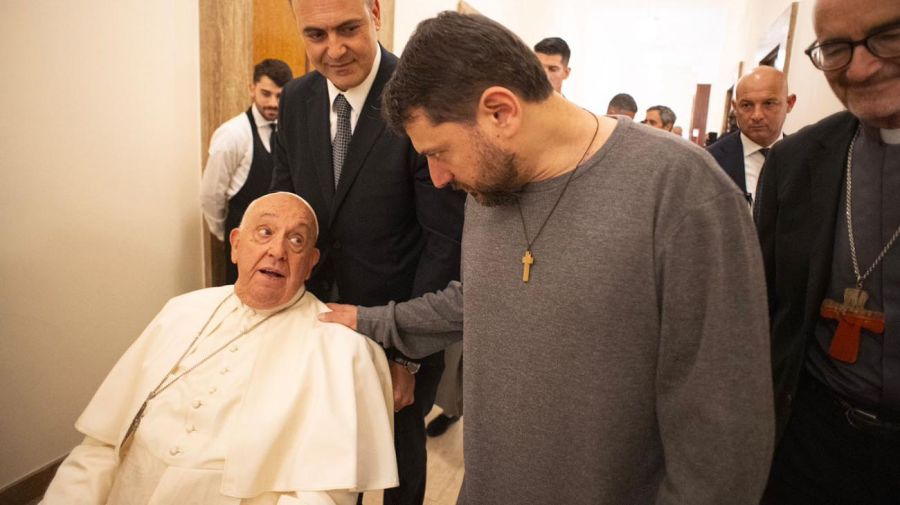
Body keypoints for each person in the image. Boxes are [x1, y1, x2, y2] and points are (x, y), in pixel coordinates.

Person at [321, 11, 774, 504]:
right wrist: (369, 321)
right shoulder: (489, 188)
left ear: (500, 111)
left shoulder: (682, 192)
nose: (438, 178)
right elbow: (483, 300)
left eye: (439, 152)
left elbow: (722, 444)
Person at [41, 193, 398, 505]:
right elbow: (102, 445)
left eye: (296, 241)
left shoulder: (340, 348)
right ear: (236, 244)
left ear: (311, 263)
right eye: (265, 232)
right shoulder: (181, 310)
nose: (277, 251)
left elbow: (322, 496)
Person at [271, 1, 465, 504]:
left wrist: (408, 355)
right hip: (315, 320)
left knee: (398, 458)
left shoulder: (421, 95)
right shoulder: (296, 98)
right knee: (326, 457)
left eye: (348, 28)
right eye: (315, 34)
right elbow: (285, 206)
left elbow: (444, 242)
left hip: (398, 325)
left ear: (375, 12)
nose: (333, 50)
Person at [757, 0, 900, 503]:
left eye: (889, 36)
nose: (860, 67)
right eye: (837, 48)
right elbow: (770, 309)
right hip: (812, 446)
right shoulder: (795, 162)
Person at [200, 59, 293, 284]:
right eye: (266, 93)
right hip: (243, 246)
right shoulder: (232, 134)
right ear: (252, 89)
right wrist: (228, 235)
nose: (273, 103)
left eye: (280, 96)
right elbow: (211, 195)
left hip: (282, 249)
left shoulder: (292, 131)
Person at [707, 66, 796, 207]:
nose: (757, 115)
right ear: (735, 108)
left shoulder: (807, 158)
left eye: (768, 103)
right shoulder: (710, 161)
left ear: (789, 103)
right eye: (747, 105)